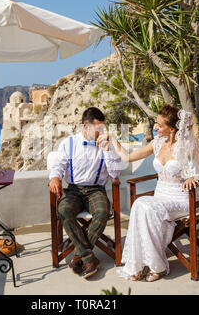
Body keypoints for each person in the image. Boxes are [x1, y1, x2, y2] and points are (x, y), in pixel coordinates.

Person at [97, 104, 199, 286]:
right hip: (161, 196)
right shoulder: (157, 143)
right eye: (156, 125)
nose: (156, 128)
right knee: (140, 205)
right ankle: (139, 264)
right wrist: (112, 137)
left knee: (146, 207)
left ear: (173, 129)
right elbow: (127, 157)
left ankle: (156, 266)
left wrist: (195, 179)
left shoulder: (188, 147)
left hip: (181, 200)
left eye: (160, 125)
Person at [48, 107, 122, 279]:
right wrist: (55, 177)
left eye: (103, 128)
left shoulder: (107, 145)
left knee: (103, 211)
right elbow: (58, 164)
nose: (101, 132)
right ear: (86, 126)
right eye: (98, 128)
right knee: (64, 210)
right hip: (73, 190)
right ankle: (89, 257)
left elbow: (115, 174)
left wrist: (108, 150)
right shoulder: (69, 143)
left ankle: (78, 255)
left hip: (96, 190)